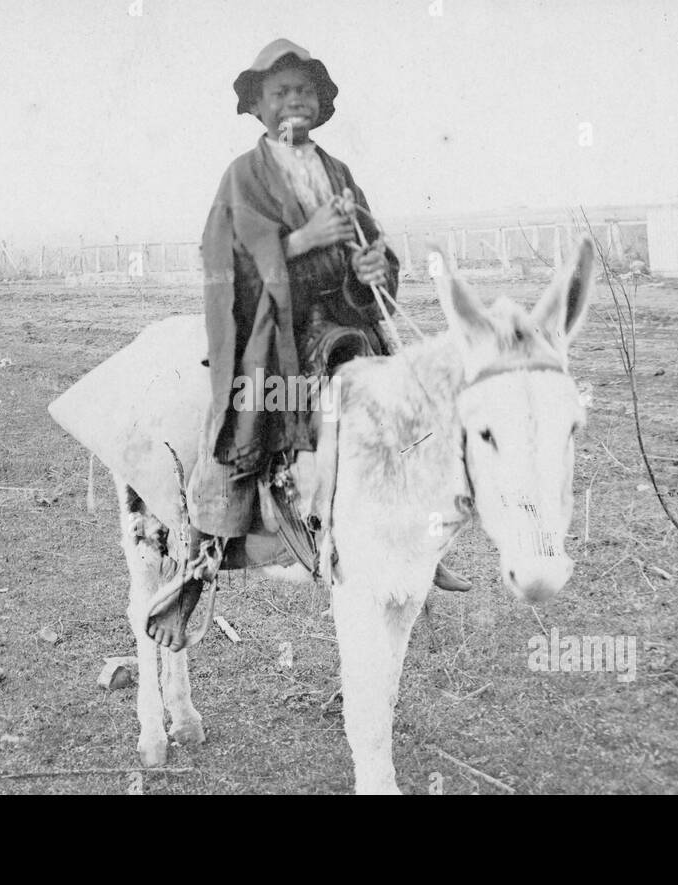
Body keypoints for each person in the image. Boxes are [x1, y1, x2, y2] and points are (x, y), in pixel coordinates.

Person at [147, 39, 469, 651]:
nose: (293, 101)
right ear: (257, 106)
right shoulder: (243, 176)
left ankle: (418, 543)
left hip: (346, 322)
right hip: (273, 331)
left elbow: (370, 244)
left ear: (320, 103)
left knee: (411, 413)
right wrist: (301, 241)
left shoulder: (337, 172)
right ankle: (199, 563)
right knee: (241, 419)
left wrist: (374, 267)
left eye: (303, 90)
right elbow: (225, 264)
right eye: (280, 92)